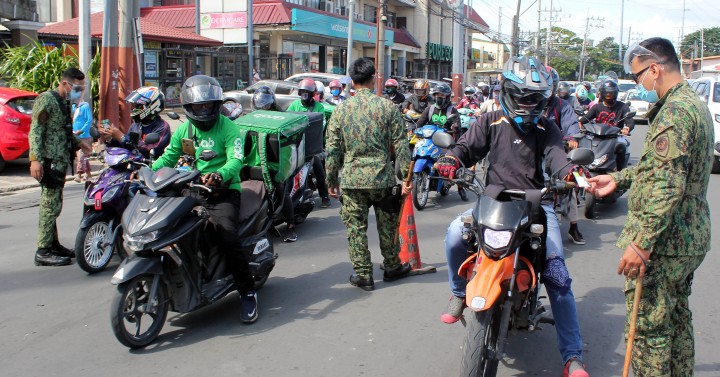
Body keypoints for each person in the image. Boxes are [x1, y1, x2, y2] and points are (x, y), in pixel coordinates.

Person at [435, 56, 589, 377]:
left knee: (558, 277)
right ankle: (460, 293)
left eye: (534, 98)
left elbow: (558, 159)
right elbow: (465, 148)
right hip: (492, 202)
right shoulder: (489, 121)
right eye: (521, 95)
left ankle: (572, 356)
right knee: (453, 234)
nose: (526, 104)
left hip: (537, 205)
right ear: (506, 91)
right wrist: (450, 158)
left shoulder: (548, 129)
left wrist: (571, 172)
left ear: (544, 99)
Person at [588, 37, 713, 377]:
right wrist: (620, 179)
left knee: (647, 333)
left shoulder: (674, 111)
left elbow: (667, 184)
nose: (637, 84)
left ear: (655, 69)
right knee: (674, 319)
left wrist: (641, 243)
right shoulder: (693, 103)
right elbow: (662, 167)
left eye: (638, 76)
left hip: (666, 242)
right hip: (688, 238)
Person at [151, 75, 258, 323]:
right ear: (189, 108)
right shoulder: (185, 130)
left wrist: (220, 175)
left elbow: (236, 159)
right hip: (193, 187)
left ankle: (247, 291)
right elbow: (168, 158)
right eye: (198, 106)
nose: (203, 109)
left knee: (227, 235)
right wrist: (146, 172)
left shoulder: (229, 128)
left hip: (224, 191)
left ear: (216, 105)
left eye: (207, 105)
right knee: (170, 226)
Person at [326, 57, 412, 291]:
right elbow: (402, 145)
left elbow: (332, 149)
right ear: (373, 79)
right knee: (388, 225)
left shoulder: (341, 110)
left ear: (352, 82)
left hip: (353, 180)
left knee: (355, 228)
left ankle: (364, 274)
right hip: (382, 178)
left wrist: (331, 180)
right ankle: (392, 266)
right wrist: (406, 178)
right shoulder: (387, 107)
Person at [29, 67, 91, 266]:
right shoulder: (46, 100)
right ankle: (43, 250)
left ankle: (53, 244)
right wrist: (35, 159)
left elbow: (62, 130)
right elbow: (36, 130)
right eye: (78, 87)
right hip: (49, 160)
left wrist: (79, 143)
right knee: (50, 204)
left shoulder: (63, 102)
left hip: (60, 159)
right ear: (66, 84)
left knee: (54, 203)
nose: (80, 92)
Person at [252, 86, 298, 242]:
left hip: (278, 164)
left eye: (266, 104)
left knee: (281, 191)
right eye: (261, 104)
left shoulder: (281, 118)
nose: (264, 107)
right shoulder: (251, 117)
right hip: (256, 163)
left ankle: (291, 225)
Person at [544, 67, 584, 245]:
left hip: (558, 152)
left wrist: (572, 139)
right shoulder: (526, 104)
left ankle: (573, 227)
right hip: (531, 152)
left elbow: (571, 127)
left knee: (569, 183)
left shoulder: (562, 106)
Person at [287, 78, 332, 208]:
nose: (304, 95)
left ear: (313, 94)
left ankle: (324, 196)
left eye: (308, 92)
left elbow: (321, 124)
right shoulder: (294, 105)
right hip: (296, 144)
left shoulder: (319, 107)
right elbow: (287, 120)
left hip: (312, 145)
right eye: (302, 92)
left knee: (318, 166)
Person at [99, 86, 171, 159]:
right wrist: (110, 138)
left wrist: (122, 137)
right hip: (133, 164)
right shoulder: (136, 125)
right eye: (134, 106)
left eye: (138, 106)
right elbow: (127, 146)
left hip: (152, 167)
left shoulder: (162, 127)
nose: (134, 109)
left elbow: (149, 151)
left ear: (153, 106)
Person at [579, 79, 634, 171]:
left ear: (616, 94)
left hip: (616, 136)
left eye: (611, 93)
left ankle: (620, 173)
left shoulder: (623, 106)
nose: (609, 96)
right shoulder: (597, 107)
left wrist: (627, 128)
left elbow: (630, 121)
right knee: (582, 145)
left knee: (621, 148)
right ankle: (582, 170)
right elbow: (584, 119)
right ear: (602, 94)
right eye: (606, 93)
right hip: (597, 137)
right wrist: (580, 124)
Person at [71, 85, 93, 182]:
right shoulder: (73, 107)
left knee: (82, 156)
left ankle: (79, 175)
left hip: (84, 135)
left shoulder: (85, 106)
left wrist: (82, 130)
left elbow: (89, 120)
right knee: (83, 157)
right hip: (75, 135)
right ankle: (89, 175)